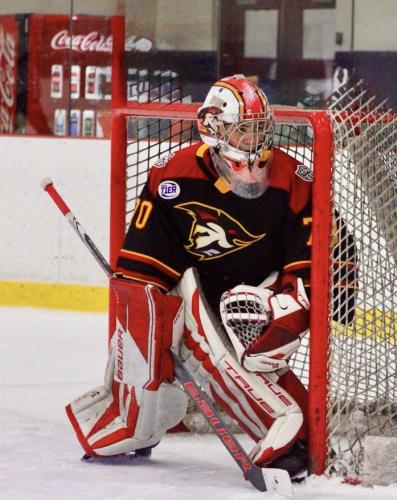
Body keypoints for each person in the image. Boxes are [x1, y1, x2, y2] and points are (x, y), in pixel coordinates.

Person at [65, 74, 357, 481]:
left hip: (256, 296)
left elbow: (322, 260)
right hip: (198, 289)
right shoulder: (175, 175)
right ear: (213, 127)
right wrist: (154, 340)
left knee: (245, 331)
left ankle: (298, 437)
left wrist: (287, 315)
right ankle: (138, 414)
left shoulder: (293, 178)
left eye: (260, 128)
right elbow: (142, 272)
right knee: (151, 317)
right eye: (243, 129)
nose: (255, 139)